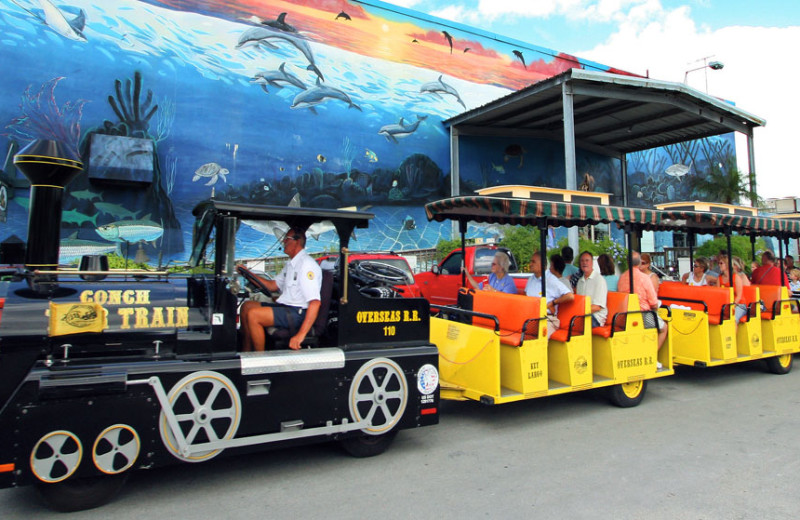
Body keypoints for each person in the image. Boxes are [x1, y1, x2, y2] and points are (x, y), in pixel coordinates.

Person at [240, 227, 322, 352]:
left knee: (253, 315)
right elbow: (272, 286)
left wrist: (300, 335)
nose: (283, 241)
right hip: (286, 308)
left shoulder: (306, 265)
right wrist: (248, 274)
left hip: (298, 313)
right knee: (247, 307)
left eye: (286, 239)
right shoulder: (291, 264)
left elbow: (315, 303)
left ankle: (258, 360)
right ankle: (246, 351)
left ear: (297, 241)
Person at [619, 252, 667, 354]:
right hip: (643, 314)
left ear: (627, 262)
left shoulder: (622, 277)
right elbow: (653, 303)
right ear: (639, 262)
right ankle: (652, 355)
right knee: (664, 328)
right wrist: (654, 311)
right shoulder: (644, 278)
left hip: (624, 314)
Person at [524, 251, 574, 337]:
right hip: (531, 317)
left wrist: (553, 302)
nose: (530, 264)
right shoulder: (531, 279)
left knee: (538, 335)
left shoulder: (550, 279)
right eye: (530, 261)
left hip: (547, 319)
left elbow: (570, 296)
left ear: (542, 264)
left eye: (533, 262)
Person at [575, 251, 608, 327]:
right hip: (583, 314)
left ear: (592, 263)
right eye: (582, 261)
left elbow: (597, 307)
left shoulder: (599, 280)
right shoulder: (580, 281)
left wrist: (579, 311)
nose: (584, 263)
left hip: (596, 317)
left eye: (587, 260)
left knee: (577, 324)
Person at [717, 254, 748, 324]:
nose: (719, 265)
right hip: (725, 305)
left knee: (733, 319)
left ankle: (733, 335)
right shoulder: (719, 278)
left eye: (721, 263)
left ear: (727, 264)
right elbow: (718, 294)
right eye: (718, 263)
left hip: (739, 304)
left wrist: (731, 306)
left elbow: (739, 296)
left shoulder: (736, 277)